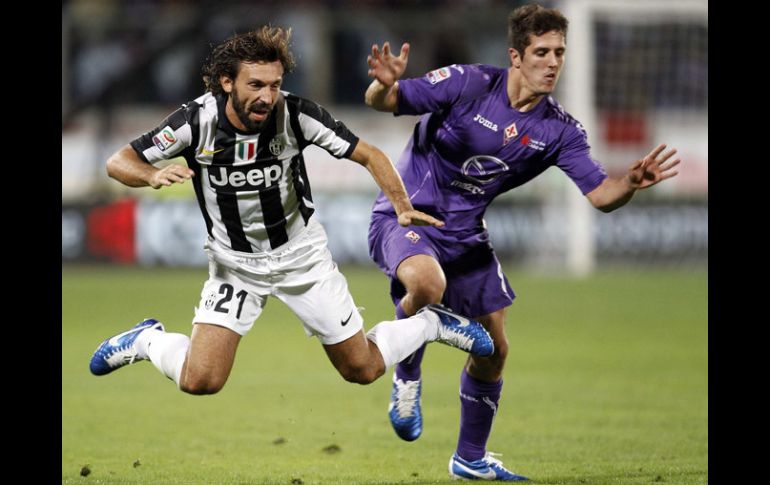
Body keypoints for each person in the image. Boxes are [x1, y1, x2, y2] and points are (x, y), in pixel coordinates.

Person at [89, 27, 496, 408]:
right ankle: (147, 340)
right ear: (226, 83)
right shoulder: (196, 121)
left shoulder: (297, 115)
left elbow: (369, 153)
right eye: (256, 85)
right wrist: (153, 173)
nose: (267, 96)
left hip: (301, 257)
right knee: (201, 381)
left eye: (274, 84)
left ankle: (430, 324)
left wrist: (402, 205)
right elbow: (118, 162)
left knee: (363, 369)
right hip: (235, 264)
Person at [364, 4, 680, 481]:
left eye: (560, 52)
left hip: (467, 236)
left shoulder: (560, 131)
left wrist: (630, 183)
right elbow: (382, 102)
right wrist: (384, 83)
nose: (553, 62)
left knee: (494, 349)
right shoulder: (469, 83)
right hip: (405, 214)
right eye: (541, 52)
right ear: (516, 55)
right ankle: (407, 376)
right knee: (426, 285)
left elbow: (600, 196)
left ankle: (470, 458)